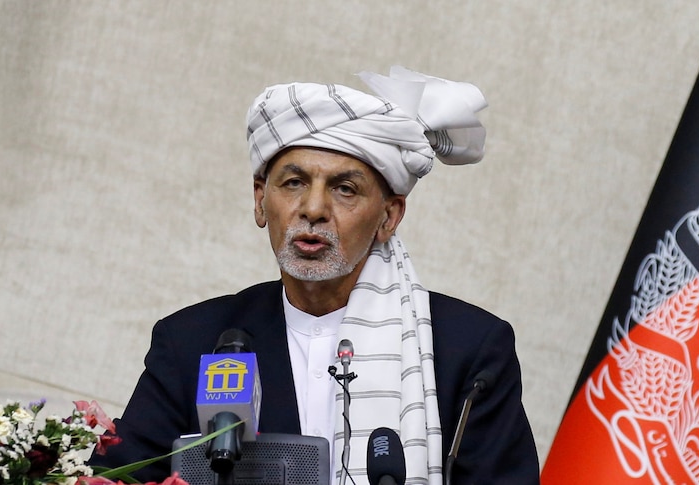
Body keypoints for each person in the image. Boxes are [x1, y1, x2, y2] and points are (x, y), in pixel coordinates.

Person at [89, 66, 540, 484]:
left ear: (389, 216)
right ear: (260, 200)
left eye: (344, 189)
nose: (313, 209)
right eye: (294, 183)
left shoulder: (468, 350)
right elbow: (114, 478)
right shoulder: (192, 341)